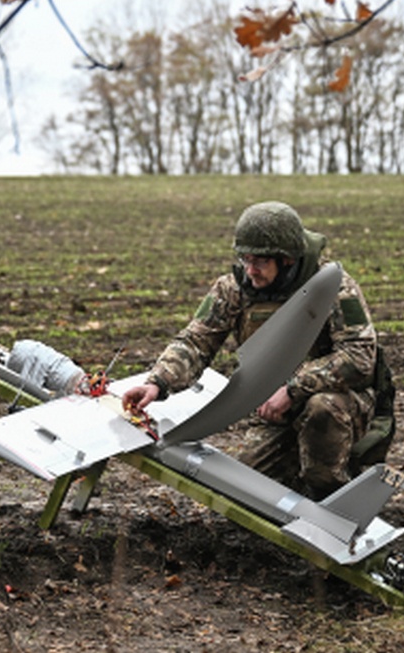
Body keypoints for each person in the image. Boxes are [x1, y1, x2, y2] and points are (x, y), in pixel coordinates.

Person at [121, 201, 384, 499]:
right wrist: (157, 383)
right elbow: (195, 342)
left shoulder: (333, 287)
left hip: (336, 402)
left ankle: (332, 487)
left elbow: (360, 356)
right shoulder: (232, 289)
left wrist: (293, 389)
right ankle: (296, 473)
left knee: (322, 416)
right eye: (244, 258)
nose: (250, 270)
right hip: (272, 413)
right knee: (246, 495)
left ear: (286, 259)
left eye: (259, 261)